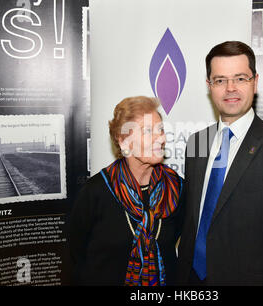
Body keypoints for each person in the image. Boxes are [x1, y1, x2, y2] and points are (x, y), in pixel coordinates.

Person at [176, 41, 263, 285]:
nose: (230, 88)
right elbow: (192, 221)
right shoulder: (197, 142)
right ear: (209, 86)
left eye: (240, 78)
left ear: (255, 82)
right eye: (220, 80)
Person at [69, 96, 184, 286]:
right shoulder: (96, 191)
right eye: (148, 131)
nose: (161, 138)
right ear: (124, 142)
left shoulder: (176, 188)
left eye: (161, 130)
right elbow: (76, 255)